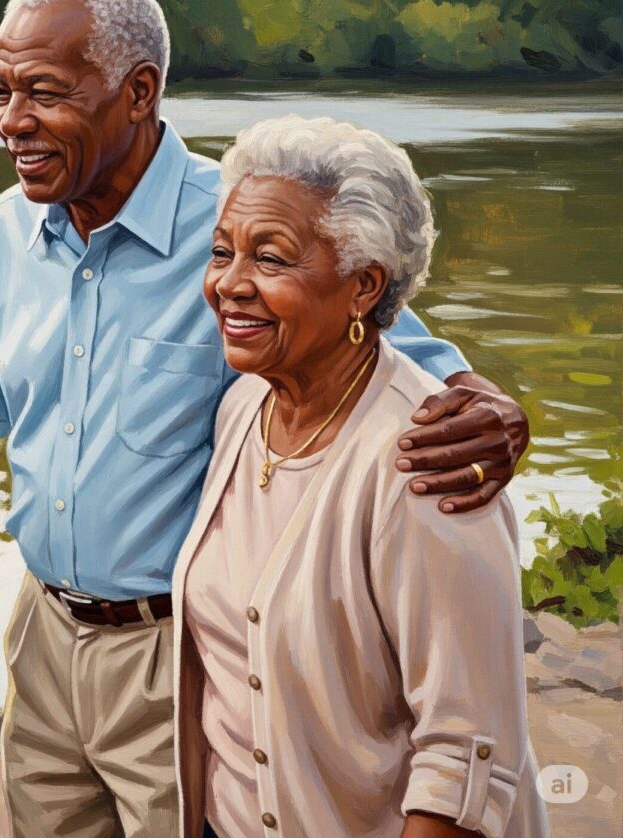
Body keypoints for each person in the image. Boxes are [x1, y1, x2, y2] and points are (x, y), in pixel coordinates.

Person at [0, 1, 532, 835]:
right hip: (42, 636)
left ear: (138, 90)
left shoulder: (244, 223)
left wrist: (495, 406)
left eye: (42, 92)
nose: (11, 122)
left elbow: (386, 358)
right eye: (0, 91)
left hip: (177, 651)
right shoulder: (5, 231)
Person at [172, 115, 546, 838]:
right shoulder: (245, 408)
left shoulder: (426, 462)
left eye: (272, 259)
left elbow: (465, 757)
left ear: (362, 287)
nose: (229, 284)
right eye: (222, 252)